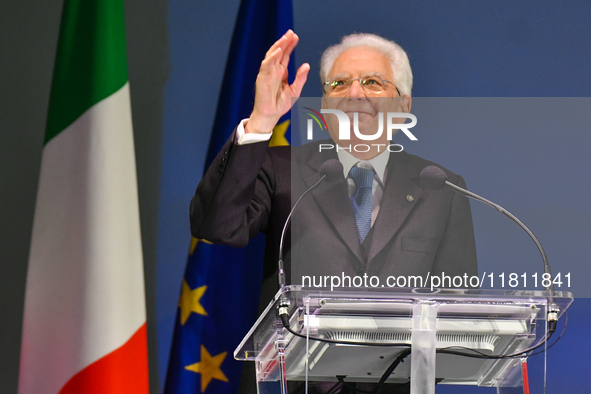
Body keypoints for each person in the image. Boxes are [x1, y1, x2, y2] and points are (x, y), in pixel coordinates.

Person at [190, 30, 477, 393]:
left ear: (404, 105)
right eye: (339, 84)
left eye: (373, 82)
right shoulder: (281, 168)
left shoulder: (439, 187)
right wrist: (262, 119)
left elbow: (458, 307)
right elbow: (217, 225)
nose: (355, 93)